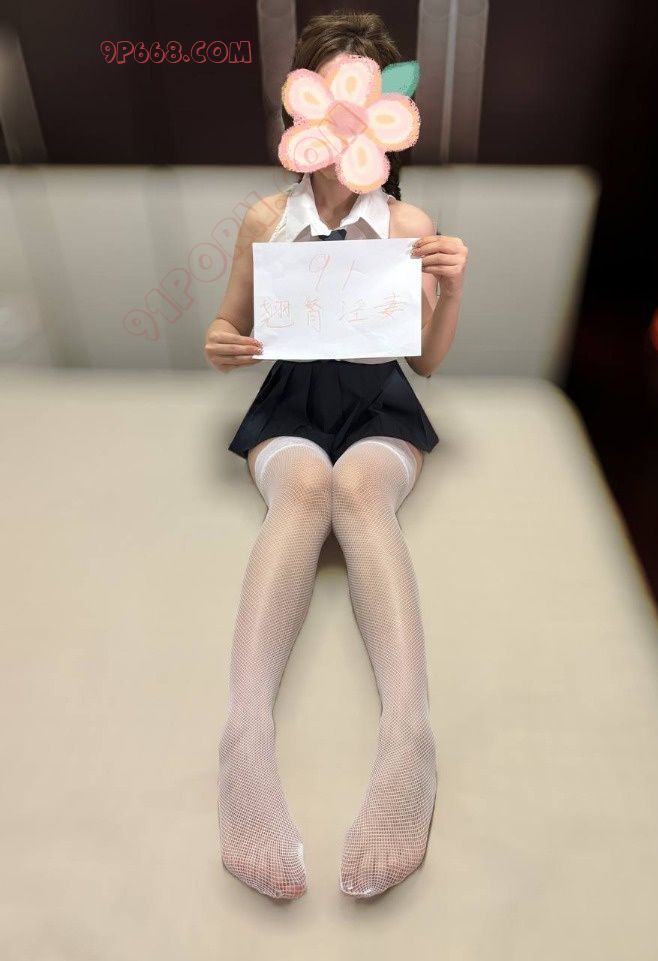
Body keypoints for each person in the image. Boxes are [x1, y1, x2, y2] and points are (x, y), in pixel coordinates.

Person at [203, 12, 468, 901]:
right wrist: (221, 343)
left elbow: (425, 363)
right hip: (290, 403)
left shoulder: (407, 220)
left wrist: (451, 285)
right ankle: (246, 736)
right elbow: (228, 323)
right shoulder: (265, 218)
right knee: (305, 487)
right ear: (301, 107)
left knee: (358, 486)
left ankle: (408, 734)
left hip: (379, 405)